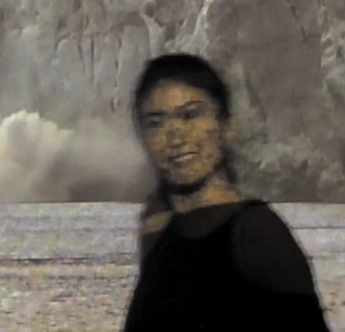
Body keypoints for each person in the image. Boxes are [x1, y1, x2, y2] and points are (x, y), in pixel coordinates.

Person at [122, 53, 331, 331]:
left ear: (225, 127)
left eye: (191, 114)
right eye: (156, 122)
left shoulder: (257, 232)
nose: (175, 135)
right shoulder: (161, 235)